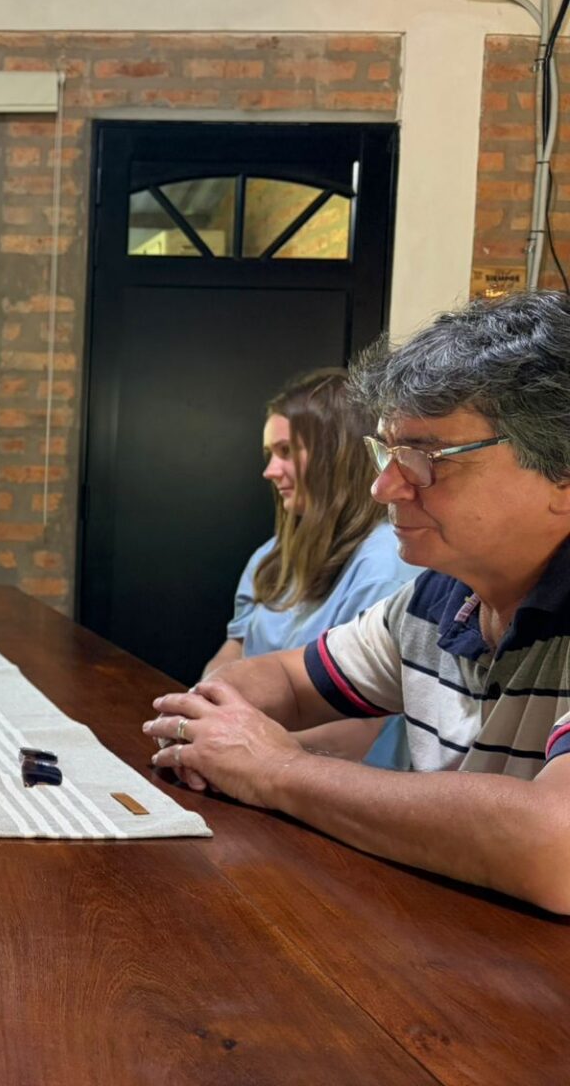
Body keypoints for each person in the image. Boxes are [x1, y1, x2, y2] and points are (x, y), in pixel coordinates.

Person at [143, 292, 570, 912]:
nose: (383, 487)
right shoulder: (437, 597)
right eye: (387, 454)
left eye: (425, 460)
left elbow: (556, 846)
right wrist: (214, 721)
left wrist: (274, 769)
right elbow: (290, 680)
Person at [203, 368, 421, 765]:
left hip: (329, 782)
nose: (270, 471)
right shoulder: (273, 555)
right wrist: (199, 716)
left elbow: (349, 737)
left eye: (286, 451)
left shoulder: (388, 566)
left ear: (336, 455)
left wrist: (229, 745)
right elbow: (234, 650)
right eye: (270, 454)